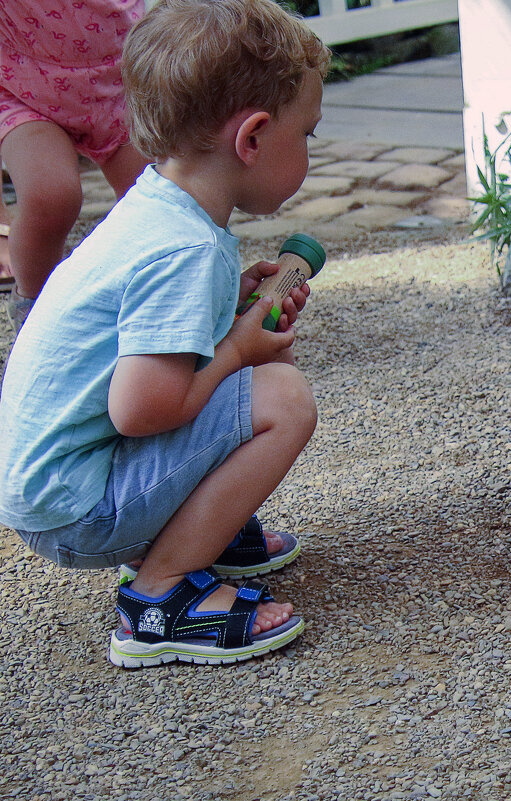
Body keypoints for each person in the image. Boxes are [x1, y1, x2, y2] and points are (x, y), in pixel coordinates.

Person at [0, 0, 331, 667]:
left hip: (57, 484)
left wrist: (229, 304)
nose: (311, 149)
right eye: (309, 134)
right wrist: (236, 347)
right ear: (253, 138)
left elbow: (152, 342)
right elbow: (141, 407)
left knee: (253, 378)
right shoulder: (184, 249)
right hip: (76, 509)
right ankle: (159, 597)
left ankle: (196, 530)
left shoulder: (158, 207)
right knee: (282, 398)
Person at [0, 0, 152, 329]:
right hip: (24, 81)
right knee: (50, 196)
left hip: (120, 72)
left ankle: (154, 311)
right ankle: (38, 321)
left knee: (157, 198)